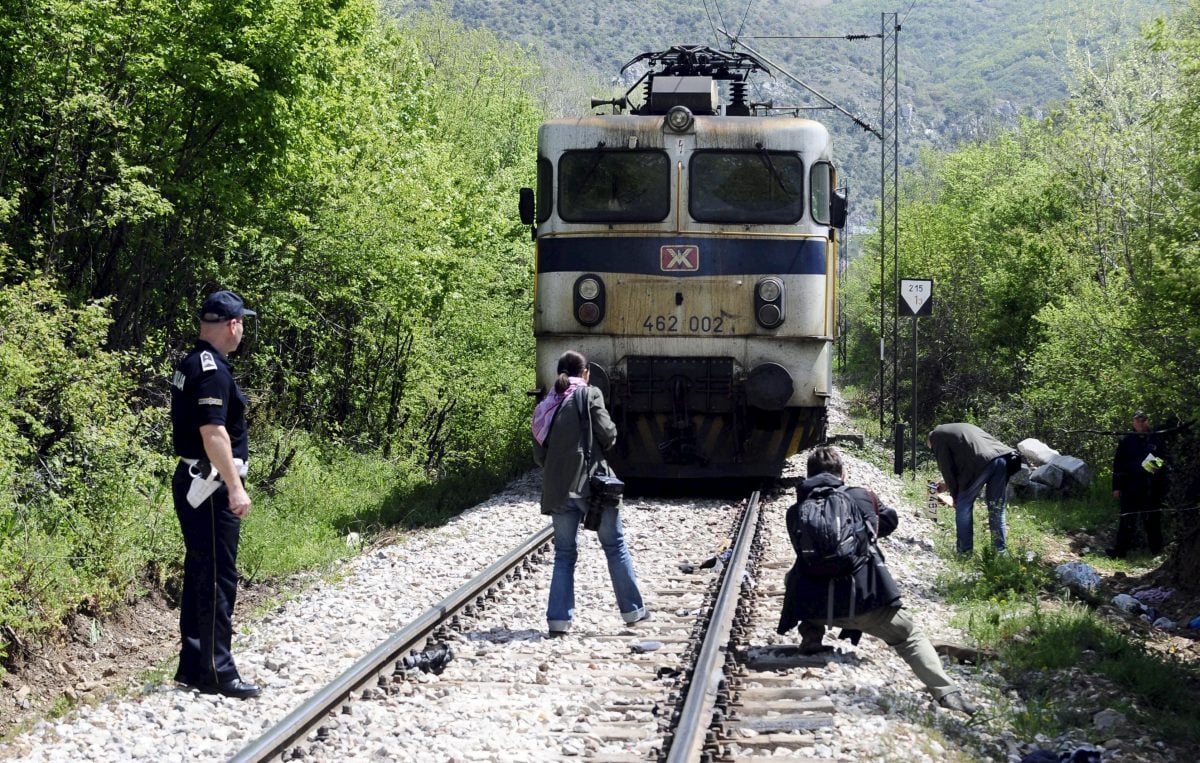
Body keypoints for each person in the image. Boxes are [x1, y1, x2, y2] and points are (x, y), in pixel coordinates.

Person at [777, 446, 977, 715]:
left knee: (796, 576)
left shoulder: (797, 510)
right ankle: (947, 693)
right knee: (909, 636)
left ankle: (811, 634)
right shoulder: (861, 496)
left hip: (815, 606)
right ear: (842, 473)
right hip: (867, 604)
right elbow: (891, 521)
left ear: (808, 475)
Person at [169, 290, 261, 699]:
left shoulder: (194, 363)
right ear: (233, 324)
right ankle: (217, 672)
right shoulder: (212, 372)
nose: (242, 328)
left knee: (202, 573)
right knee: (217, 578)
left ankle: (195, 666)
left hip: (196, 481)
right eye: (242, 322)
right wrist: (235, 488)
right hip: (209, 486)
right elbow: (213, 433)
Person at [532, 350, 648, 636]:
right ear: (584, 374)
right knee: (614, 545)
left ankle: (558, 621)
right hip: (592, 485)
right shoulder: (590, 394)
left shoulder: (545, 404)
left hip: (558, 488)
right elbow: (607, 435)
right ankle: (632, 611)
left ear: (558, 372)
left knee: (564, 554)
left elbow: (539, 455)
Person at [928, 422, 1021, 555]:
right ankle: (1000, 552)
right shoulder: (956, 429)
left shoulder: (937, 436)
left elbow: (947, 468)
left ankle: (964, 551)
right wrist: (947, 485)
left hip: (981, 463)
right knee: (996, 508)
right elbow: (964, 459)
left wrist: (955, 497)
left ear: (930, 440)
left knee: (963, 506)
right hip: (1001, 459)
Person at [1108, 410, 1167, 559]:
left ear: (1147, 421)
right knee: (1127, 520)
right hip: (1129, 486)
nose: (1140, 423)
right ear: (1133, 422)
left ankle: (1157, 552)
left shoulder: (1156, 438)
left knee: (1152, 521)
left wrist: (1146, 469)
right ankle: (1119, 553)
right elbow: (1118, 464)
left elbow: (1162, 459)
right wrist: (1116, 487)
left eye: (1143, 420)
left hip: (1150, 487)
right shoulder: (1126, 440)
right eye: (1137, 421)